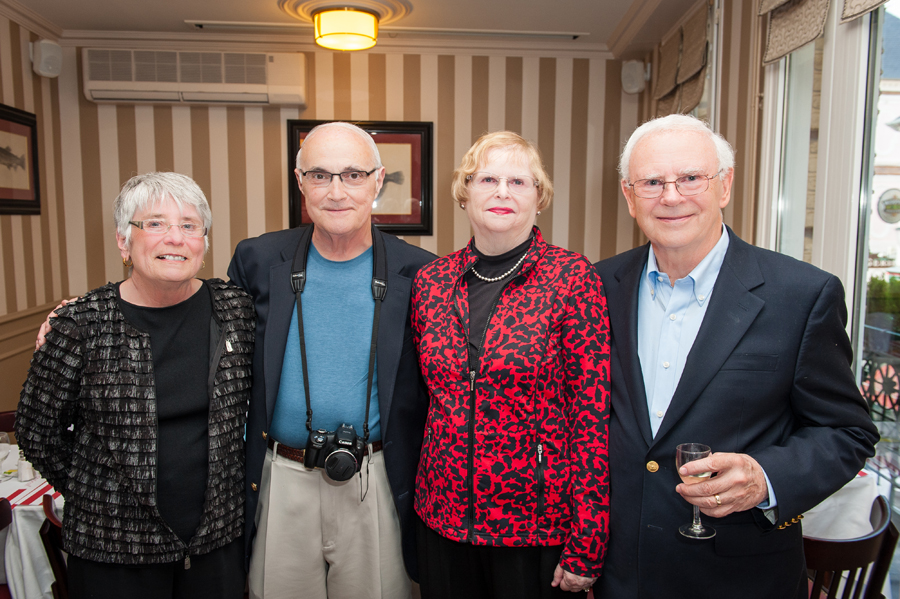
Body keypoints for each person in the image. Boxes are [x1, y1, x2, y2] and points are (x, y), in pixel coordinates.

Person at [592, 114, 879, 598]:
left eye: (690, 178)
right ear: (629, 195)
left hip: (739, 576)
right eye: (652, 182)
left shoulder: (802, 295)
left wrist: (766, 478)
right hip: (619, 571)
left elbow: (847, 432)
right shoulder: (596, 286)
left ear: (724, 186)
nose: (671, 196)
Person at [17, 172, 255, 599]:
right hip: (113, 550)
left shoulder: (236, 310)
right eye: (156, 224)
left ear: (203, 242)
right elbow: (37, 431)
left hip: (216, 541)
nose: (175, 238)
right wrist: (98, 491)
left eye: (189, 225)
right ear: (124, 243)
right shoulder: (81, 324)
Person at [228, 121, 435, 599]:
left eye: (353, 175)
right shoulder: (258, 259)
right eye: (320, 175)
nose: (336, 191)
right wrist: (86, 312)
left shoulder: (421, 272)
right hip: (281, 475)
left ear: (378, 181)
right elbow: (208, 324)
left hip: (375, 478)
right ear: (300, 183)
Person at [411, 131, 610, 598]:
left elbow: (592, 414)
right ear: (465, 193)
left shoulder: (571, 278)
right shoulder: (432, 283)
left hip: (536, 524)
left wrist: (589, 539)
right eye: (488, 179)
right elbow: (422, 403)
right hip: (442, 519)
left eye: (519, 182)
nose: (502, 191)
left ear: (538, 198)